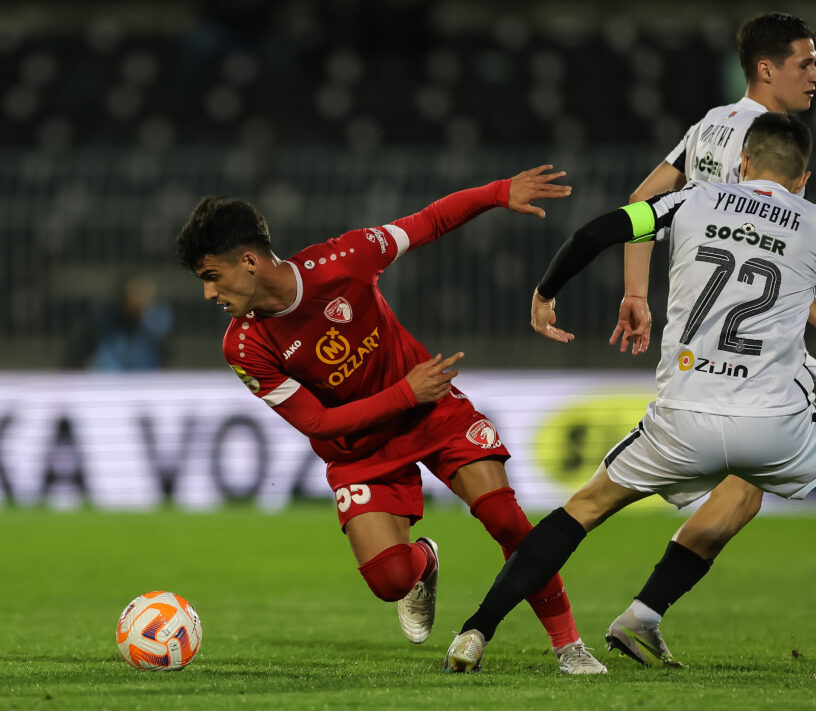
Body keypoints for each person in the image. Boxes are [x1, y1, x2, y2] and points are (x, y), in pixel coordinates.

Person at [444, 113, 816, 678]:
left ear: (744, 163)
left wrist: (546, 290)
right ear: (804, 178)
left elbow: (594, 234)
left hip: (683, 418)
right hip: (772, 421)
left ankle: (475, 632)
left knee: (582, 509)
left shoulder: (689, 201)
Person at [174, 165, 607, 675]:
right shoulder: (244, 345)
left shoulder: (344, 260)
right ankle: (424, 562)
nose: (208, 295)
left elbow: (429, 221)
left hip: (432, 413)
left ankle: (569, 645)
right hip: (361, 450)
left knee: (505, 519)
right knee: (389, 580)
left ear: (247, 261)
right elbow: (317, 422)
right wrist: (405, 392)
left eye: (211, 277)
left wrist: (497, 193)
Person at [605, 12, 816, 661]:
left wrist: (635, 291)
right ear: (769, 69)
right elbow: (755, 243)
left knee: (743, 493)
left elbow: (641, 201)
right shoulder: (752, 144)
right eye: (807, 63)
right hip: (750, 341)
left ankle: (642, 613)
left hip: (710, 337)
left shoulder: (708, 125)